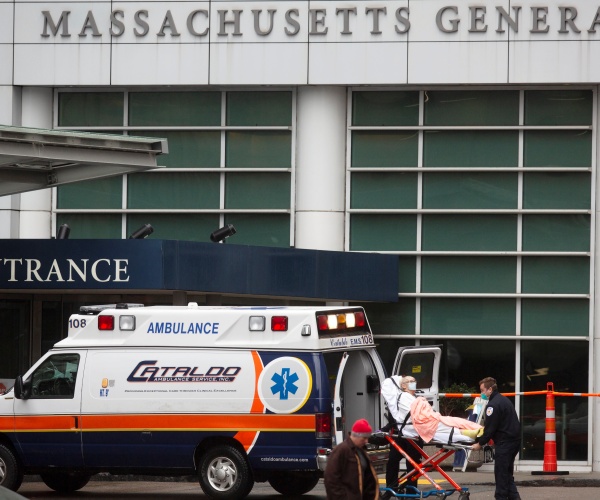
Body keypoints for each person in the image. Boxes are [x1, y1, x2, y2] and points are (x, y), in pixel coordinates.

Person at [471, 377, 521, 500]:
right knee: (507, 475)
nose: (481, 393)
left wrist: (479, 443)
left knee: (501, 476)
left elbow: (490, 430)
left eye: (482, 390)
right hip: (514, 442)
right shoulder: (504, 400)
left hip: (504, 444)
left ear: (490, 389)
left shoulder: (492, 405)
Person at [380, 375, 423, 499]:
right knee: (392, 462)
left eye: (414, 381)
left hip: (414, 436)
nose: (412, 383)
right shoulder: (399, 401)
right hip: (400, 436)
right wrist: (382, 431)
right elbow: (394, 422)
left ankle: (411, 492)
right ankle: (390, 489)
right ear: (403, 386)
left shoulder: (418, 399)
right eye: (409, 381)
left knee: (413, 465)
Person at [324, 418, 380, 500]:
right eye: (364, 438)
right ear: (356, 435)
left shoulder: (361, 451)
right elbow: (331, 479)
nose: (366, 441)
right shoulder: (341, 450)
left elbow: (368, 480)